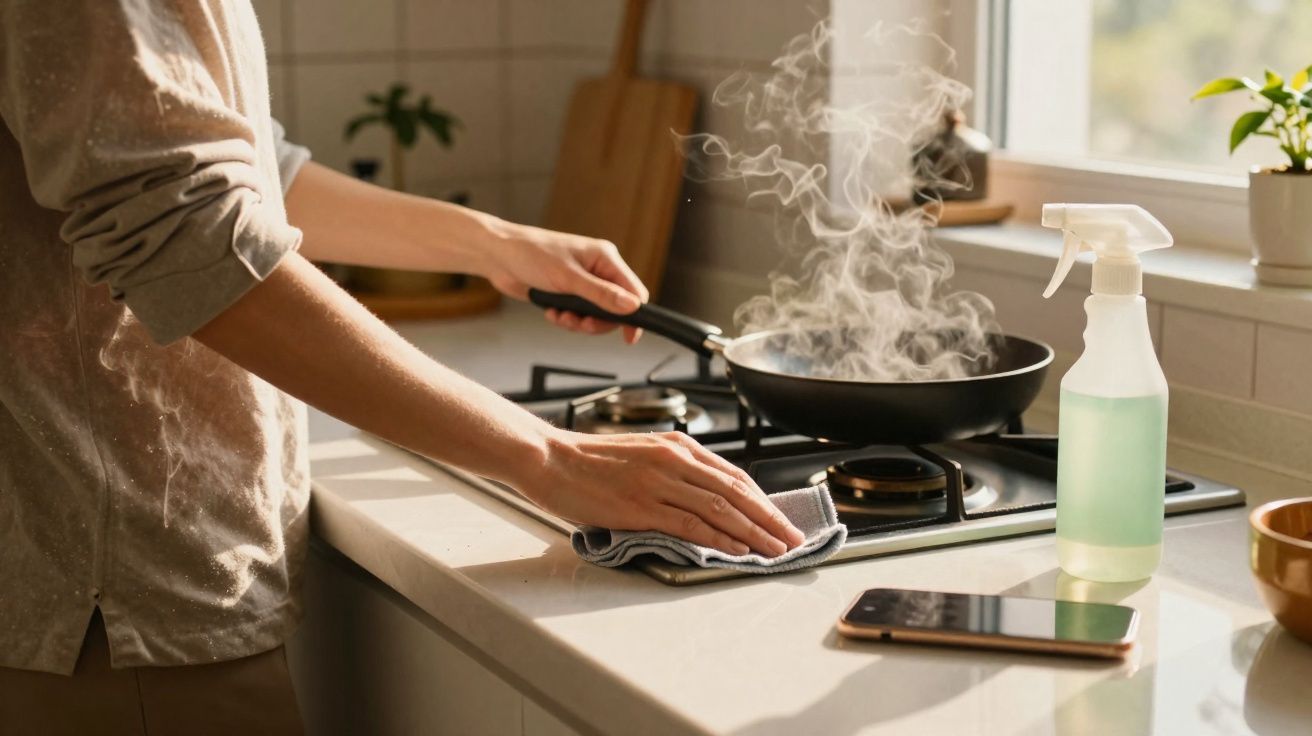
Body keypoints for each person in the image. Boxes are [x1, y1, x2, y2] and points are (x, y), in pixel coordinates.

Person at [0, 2, 804, 734]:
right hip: (114, 599)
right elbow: (185, 226)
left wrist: (492, 243)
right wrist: (550, 455)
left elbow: (242, 170)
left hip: (134, 581)